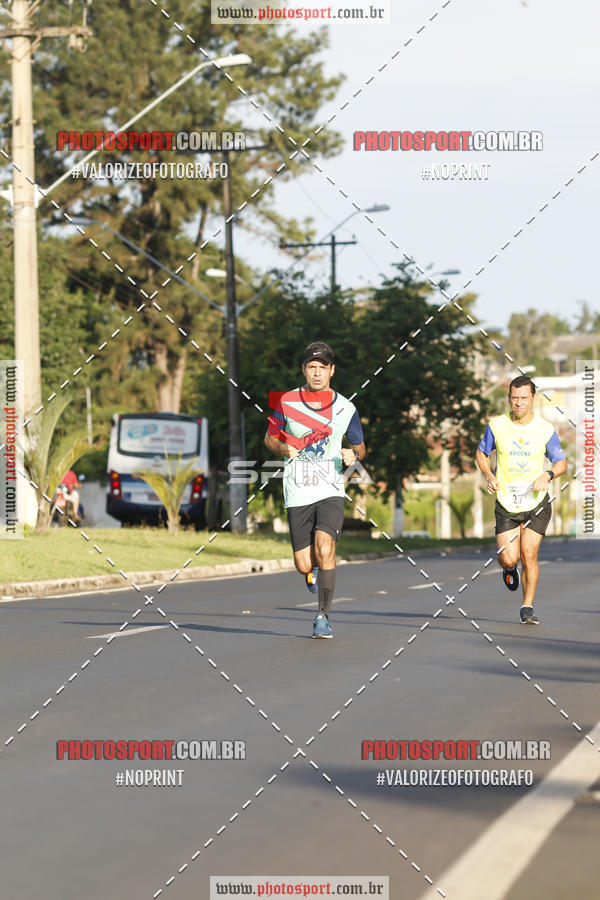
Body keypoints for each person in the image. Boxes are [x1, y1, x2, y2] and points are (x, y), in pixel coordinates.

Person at [264, 341, 366, 639]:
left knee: (326, 548)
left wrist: (354, 455)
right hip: (297, 488)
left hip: (331, 486)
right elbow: (269, 438)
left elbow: (360, 446)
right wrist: (282, 446)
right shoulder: (286, 401)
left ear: (332, 371)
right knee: (303, 563)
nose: (317, 373)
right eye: (312, 367)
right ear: (304, 370)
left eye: (323, 367)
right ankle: (312, 570)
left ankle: (322, 616)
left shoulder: (346, 407)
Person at [475, 375, 567, 624]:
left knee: (529, 554)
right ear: (509, 398)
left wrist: (547, 474)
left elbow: (561, 463)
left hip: (537, 502)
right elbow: (481, 453)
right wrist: (489, 475)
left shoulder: (545, 429)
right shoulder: (497, 426)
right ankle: (507, 567)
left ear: (533, 398)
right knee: (510, 557)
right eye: (514, 398)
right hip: (506, 503)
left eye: (524, 398)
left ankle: (527, 606)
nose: (519, 403)